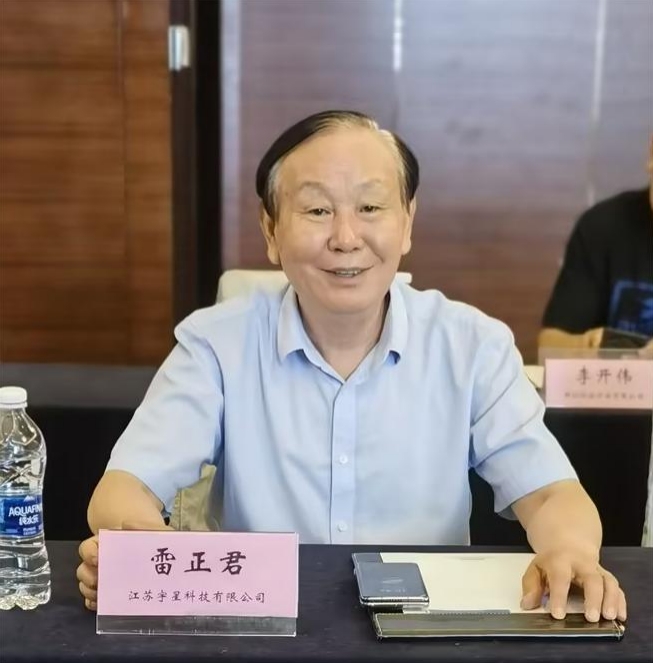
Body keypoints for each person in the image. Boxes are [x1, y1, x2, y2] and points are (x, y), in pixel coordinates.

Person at [77, 110, 626, 624]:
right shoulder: (216, 344)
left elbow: (550, 493)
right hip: (263, 625)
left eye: (370, 208)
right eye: (317, 211)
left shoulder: (472, 345)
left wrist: (570, 551)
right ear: (270, 231)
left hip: (424, 631)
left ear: (407, 223)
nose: (345, 238)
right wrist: (141, 551)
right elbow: (125, 487)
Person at [539, 140, 653, 352]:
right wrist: (587, 346)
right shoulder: (603, 225)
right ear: (651, 155)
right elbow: (549, 346)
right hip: (615, 372)